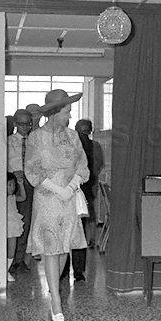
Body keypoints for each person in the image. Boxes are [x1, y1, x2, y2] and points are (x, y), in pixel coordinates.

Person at [25, 89, 89, 321]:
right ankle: (56, 302)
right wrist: (56, 188)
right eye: (67, 111)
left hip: (69, 198)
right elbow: (32, 170)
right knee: (51, 248)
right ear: (54, 112)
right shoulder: (36, 138)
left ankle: (54, 290)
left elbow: (83, 166)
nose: (69, 116)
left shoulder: (73, 137)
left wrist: (70, 187)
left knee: (64, 249)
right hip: (48, 198)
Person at [61, 119, 104, 282]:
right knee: (65, 232)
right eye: (80, 131)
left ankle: (78, 270)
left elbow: (97, 168)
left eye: (86, 131)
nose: (83, 134)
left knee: (79, 232)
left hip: (83, 193)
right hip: (65, 193)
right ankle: (64, 269)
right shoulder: (69, 145)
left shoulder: (95, 147)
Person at [7, 109, 35, 272]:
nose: (26, 127)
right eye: (22, 124)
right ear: (16, 124)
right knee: (11, 221)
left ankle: (19, 258)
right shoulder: (8, 142)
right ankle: (8, 258)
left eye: (28, 124)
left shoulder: (35, 142)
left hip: (29, 184)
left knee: (25, 221)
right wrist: (13, 173)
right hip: (12, 185)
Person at [5, 172, 26, 282]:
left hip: (12, 225)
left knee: (11, 250)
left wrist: (21, 183)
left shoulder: (13, 197)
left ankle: (6, 270)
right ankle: (1, 270)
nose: (12, 187)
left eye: (13, 185)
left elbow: (23, 197)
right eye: (9, 185)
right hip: (4, 224)